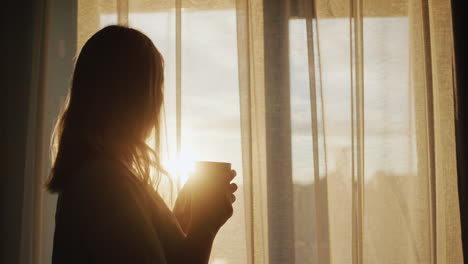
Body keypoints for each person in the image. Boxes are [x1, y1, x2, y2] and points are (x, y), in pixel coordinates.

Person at [46, 25, 238, 263]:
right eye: (155, 88)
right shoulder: (104, 184)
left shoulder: (108, 175)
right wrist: (204, 227)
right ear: (133, 96)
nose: (158, 102)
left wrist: (182, 219)